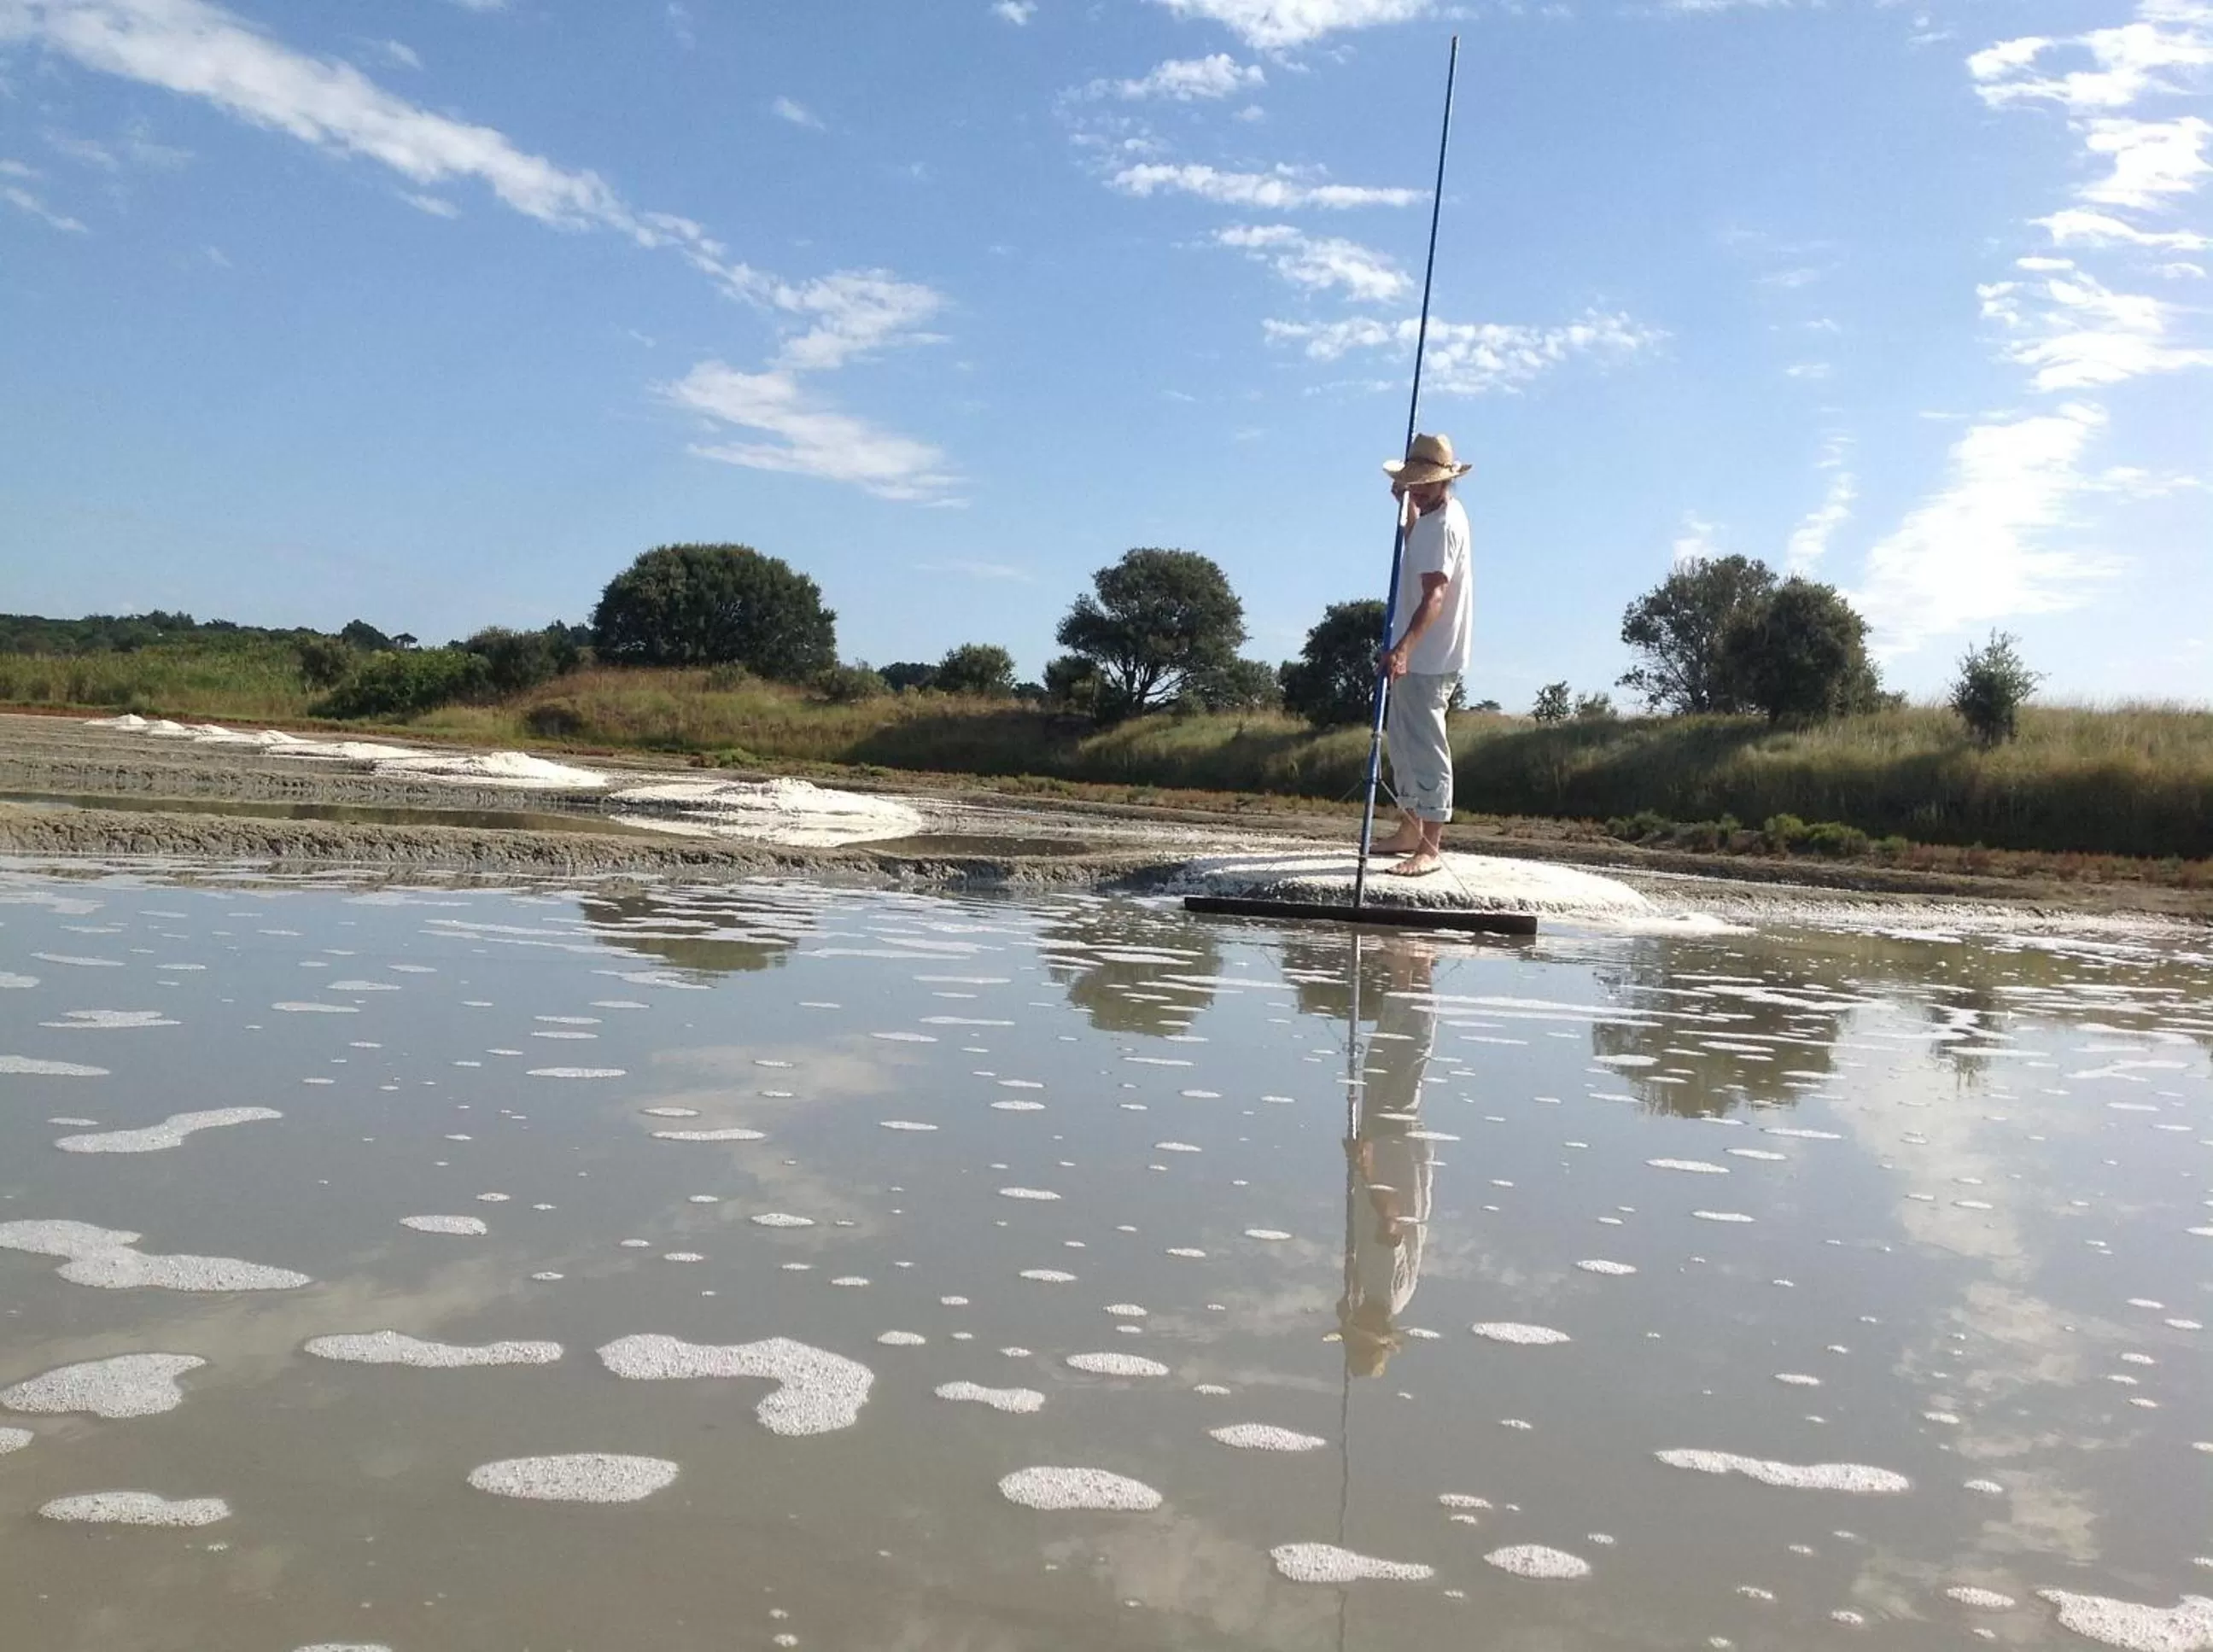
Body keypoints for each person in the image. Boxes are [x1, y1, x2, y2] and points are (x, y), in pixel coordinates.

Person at [1372, 431, 1475, 878]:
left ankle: (1430, 846)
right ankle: (1409, 827)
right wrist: (1408, 504)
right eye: (1411, 482)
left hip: (1430, 655)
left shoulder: (1445, 524)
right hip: (1418, 653)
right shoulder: (1435, 512)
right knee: (1402, 739)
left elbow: (1434, 596)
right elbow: (1417, 535)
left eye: (1421, 483)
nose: (1414, 488)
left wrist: (1402, 650)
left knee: (1427, 744)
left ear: (1443, 482)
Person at [1336, 935, 1439, 1379]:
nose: (1355, 1323)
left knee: (1391, 1059)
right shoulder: (1384, 1290)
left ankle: (1416, 967)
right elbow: (1390, 1218)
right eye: (1358, 1330)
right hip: (1392, 1148)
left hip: (1396, 1149)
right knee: (1401, 1058)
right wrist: (1365, 1165)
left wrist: (1349, 1294)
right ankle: (1409, 966)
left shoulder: (1380, 1295)